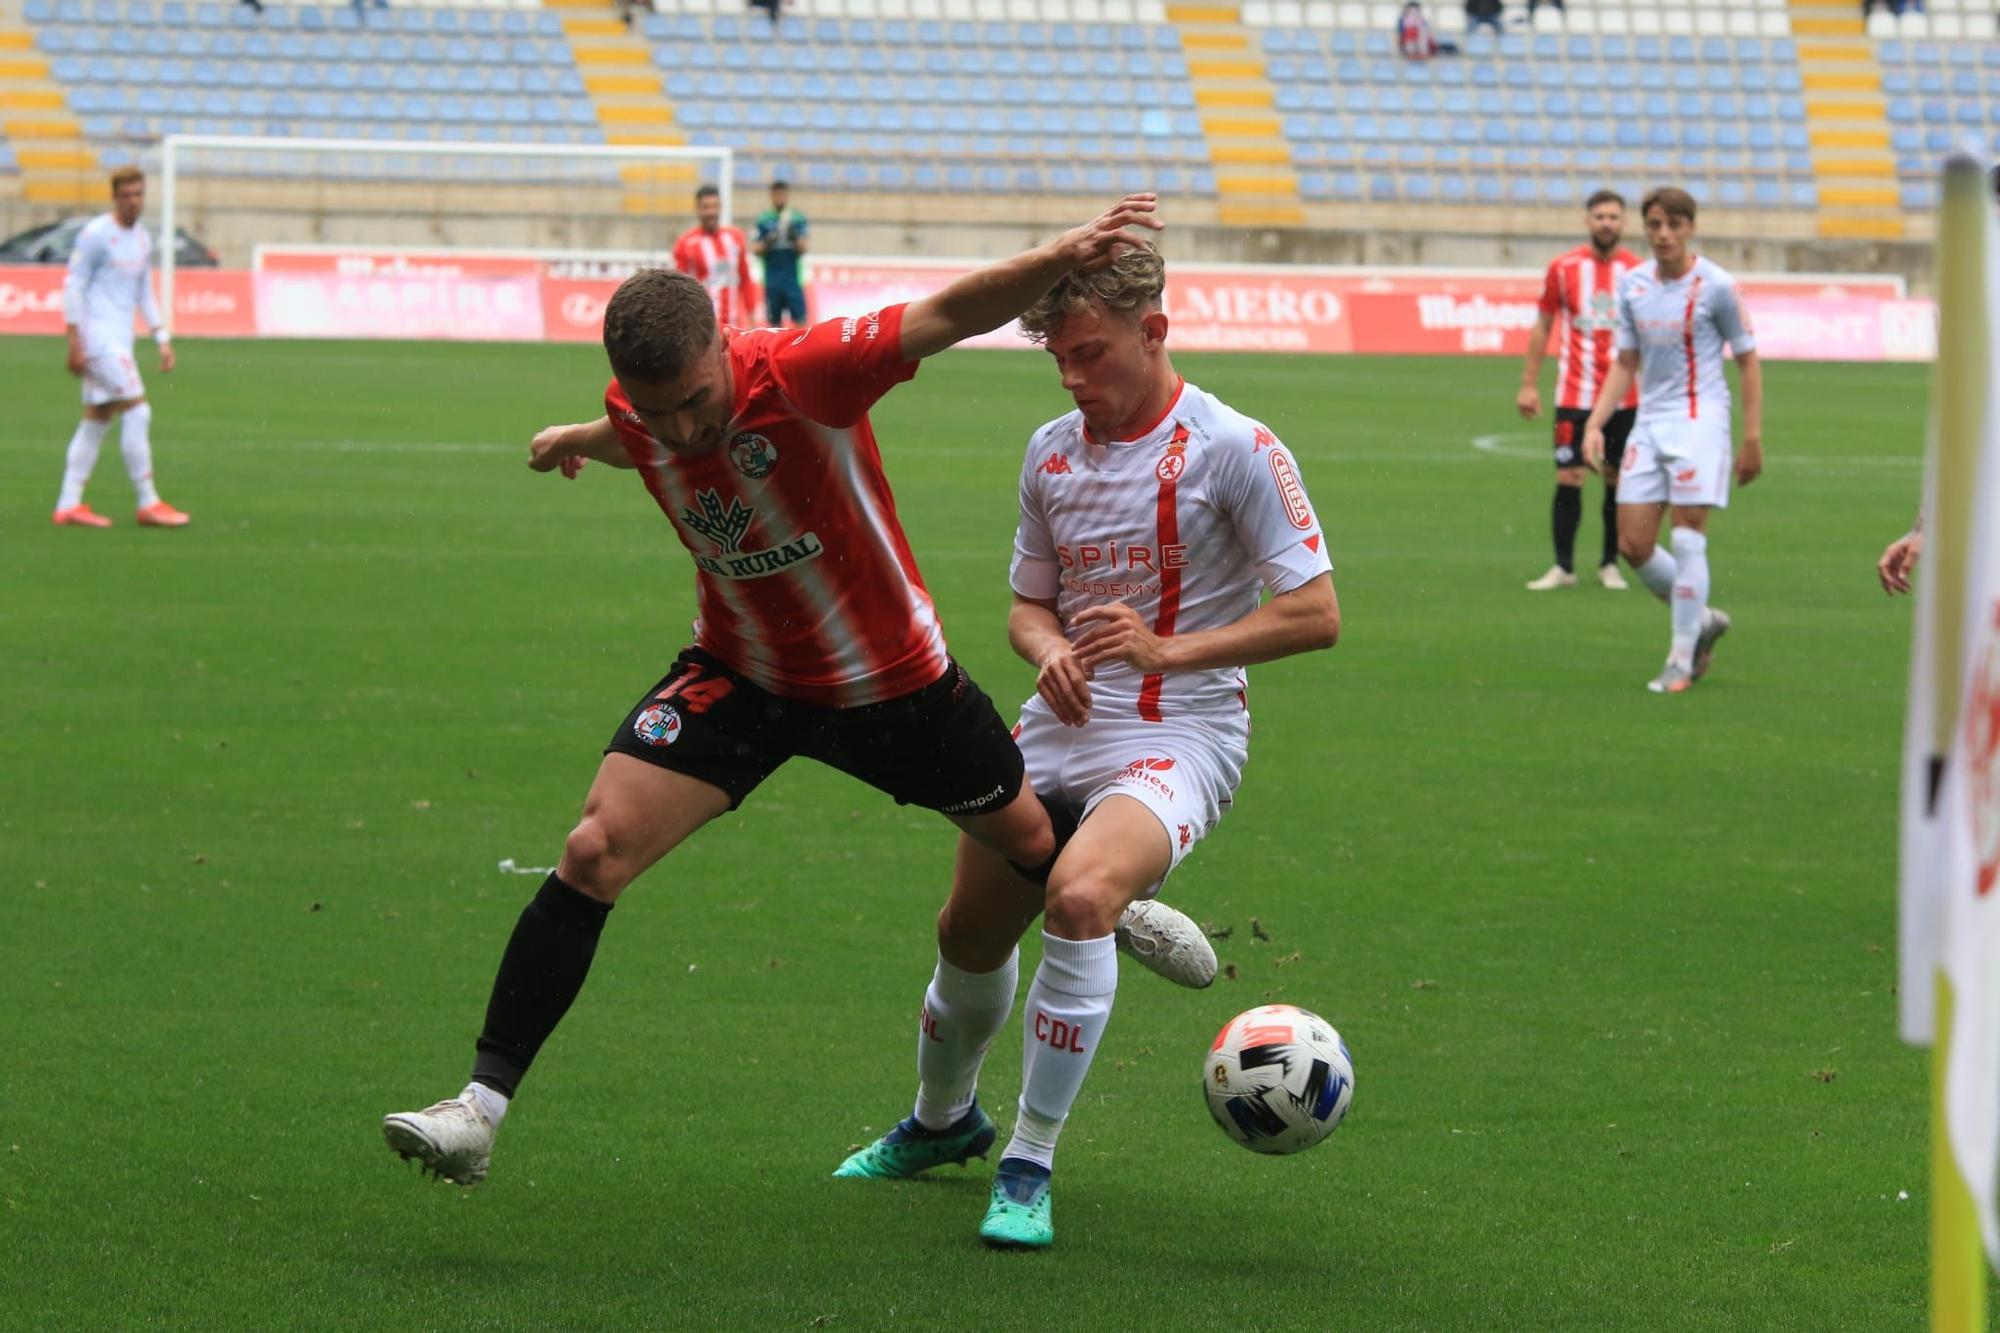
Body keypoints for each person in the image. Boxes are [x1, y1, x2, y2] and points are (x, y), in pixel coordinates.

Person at [379, 196, 1218, 1189]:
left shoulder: (803, 371)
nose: (682, 429)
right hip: (740, 677)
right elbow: (630, 435)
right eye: (656, 412)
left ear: (721, 354)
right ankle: (478, 1109)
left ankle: (1108, 906)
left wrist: (1059, 255)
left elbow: (947, 313)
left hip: (893, 688)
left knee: (1034, 852)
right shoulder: (640, 415)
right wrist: (576, 433)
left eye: (696, 401)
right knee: (593, 847)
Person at [834, 245, 1341, 1249]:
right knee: (966, 935)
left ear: (1152, 333)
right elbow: (1026, 604)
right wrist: (1050, 644)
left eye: (1088, 353)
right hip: (1059, 726)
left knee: (1075, 896)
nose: (1072, 377)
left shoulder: (1236, 446)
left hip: (1180, 734)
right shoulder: (1048, 451)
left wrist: (1169, 647)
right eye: (1057, 359)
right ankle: (942, 1124)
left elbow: (1316, 613)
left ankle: (1028, 1157)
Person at [1583, 187, 1763, 693]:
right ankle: (1701, 619)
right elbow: (1626, 361)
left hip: (1701, 420)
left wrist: (1751, 437)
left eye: (1673, 225)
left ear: (1690, 228)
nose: (1663, 235)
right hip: (1650, 421)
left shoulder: (1718, 287)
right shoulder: (1634, 285)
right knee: (1633, 544)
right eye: (1655, 225)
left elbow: (1748, 360)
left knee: (1686, 537)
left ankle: (1681, 660)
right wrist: (1596, 422)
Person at [1517, 190, 1641, 592]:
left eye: (1614, 217)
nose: (1607, 223)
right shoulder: (1563, 268)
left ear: (1623, 224)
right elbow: (1543, 325)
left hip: (1625, 397)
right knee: (1569, 476)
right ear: (1587, 221)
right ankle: (1563, 566)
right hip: (1574, 394)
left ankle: (1609, 564)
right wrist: (1529, 384)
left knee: (1616, 479)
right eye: (1600, 216)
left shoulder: (1638, 273)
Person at [52, 165, 188, 530]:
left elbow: (143, 291)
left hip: (120, 340)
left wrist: (161, 336)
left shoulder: (143, 239)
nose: (133, 201)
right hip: (98, 342)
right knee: (137, 412)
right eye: (126, 195)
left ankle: (68, 505)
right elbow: (73, 286)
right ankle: (148, 502)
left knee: (96, 421)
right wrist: (74, 342)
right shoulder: (96, 235)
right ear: (114, 197)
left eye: (139, 194)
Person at [671, 184, 756, 328]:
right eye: (706, 207)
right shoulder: (685, 243)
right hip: (703, 328)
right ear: (697, 209)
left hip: (734, 325)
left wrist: (751, 317)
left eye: (715, 206)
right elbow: (679, 290)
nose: (711, 212)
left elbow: (745, 278)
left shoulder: (735, 237)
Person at [752, 179, 809, 328]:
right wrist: (768, 241)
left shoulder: (797, 218)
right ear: (771, 196)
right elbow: (755, 249)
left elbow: (804, 248)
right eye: (776, 194)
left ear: (787, 195)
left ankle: (801, 351)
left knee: (800, 322)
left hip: (793, 279)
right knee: (774, 324)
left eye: (782, 194)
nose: (779, 197)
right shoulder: (763, 219)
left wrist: (794, 236)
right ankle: (777, 351)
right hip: (772, 280)